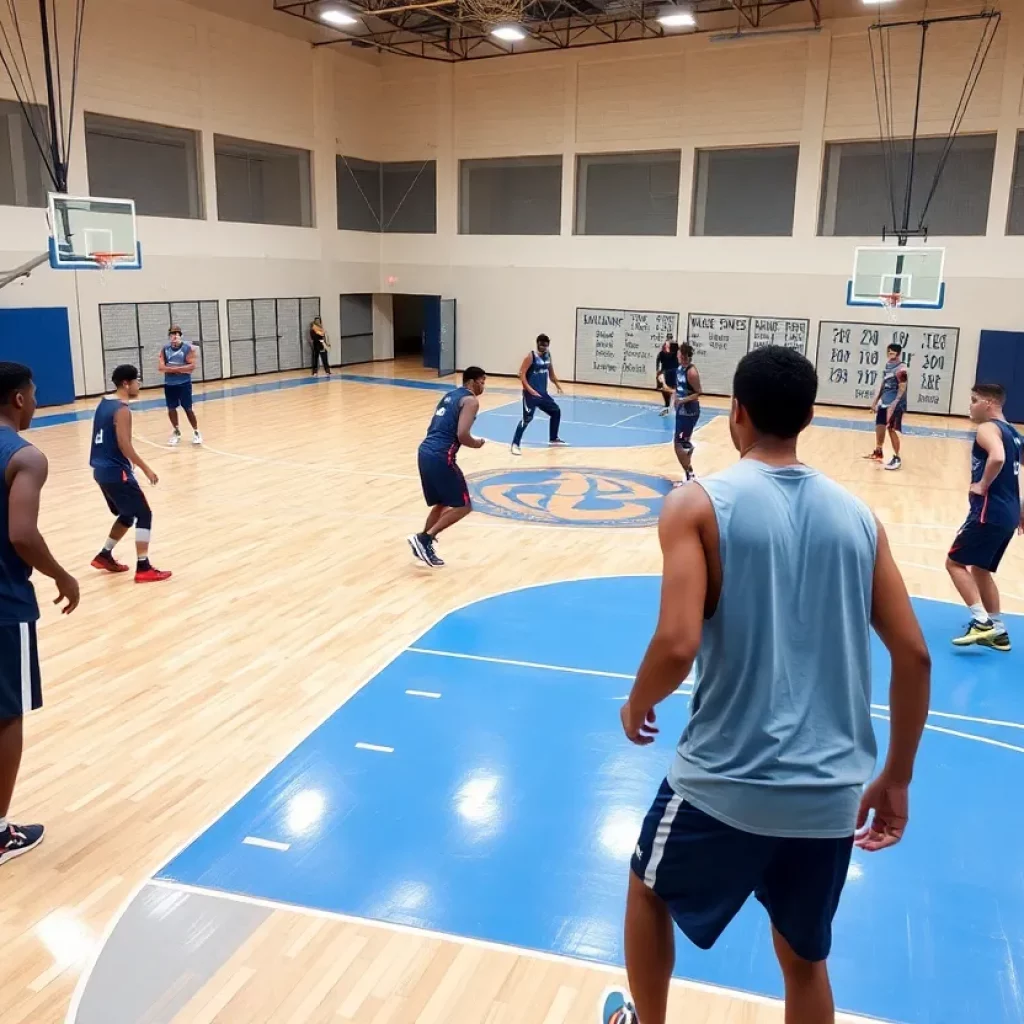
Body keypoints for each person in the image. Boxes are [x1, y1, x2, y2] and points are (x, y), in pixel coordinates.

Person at [602, 346, 931, 1024]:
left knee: (647, 891)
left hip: (726, 780)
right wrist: (895, 776)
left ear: (738, 414)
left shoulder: (697, 504)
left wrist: (638, 701)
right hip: (830, 795)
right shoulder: (861, 520)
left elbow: (676, 643)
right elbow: (916, 657)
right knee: (804, 960)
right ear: (810, 416)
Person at [0, 362, 79, 866]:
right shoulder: (25, 456)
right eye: (33, 391)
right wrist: (61, 575)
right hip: (4, 606)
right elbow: (22, 534)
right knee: (7, 714)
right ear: (20, 399)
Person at [946, 383, 1022, 652]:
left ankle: (981, 622)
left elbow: (998, 459)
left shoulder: (987, 428)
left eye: (974, 400)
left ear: (989, 404)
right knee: (980, 568)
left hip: (988, 512)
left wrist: (981, 485)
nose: (970, 404)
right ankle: (999, 632)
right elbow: (1014, 473)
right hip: (1008, 513)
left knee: (954, 563)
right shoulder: (1014, 433)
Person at [89, 365, 172, 584]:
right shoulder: (122, 409)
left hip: (100, 470)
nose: (139, 385)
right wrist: (146, 468)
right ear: (126, 383)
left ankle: (104, 555)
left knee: (127, 514)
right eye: (136, 381)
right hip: (116, 472)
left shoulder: (103, 403)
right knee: (144, 514)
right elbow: (124, 443)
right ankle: (143, 567)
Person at [408, 367, 487, 568]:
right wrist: (477, 443)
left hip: (425, 451)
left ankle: (422, 544)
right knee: (464, 506)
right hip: (442, 455)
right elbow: (462, 434)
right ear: (472, 382)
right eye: (482, 381)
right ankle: (425, 539)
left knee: (442, 502)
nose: (483, 386)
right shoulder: (471, 401)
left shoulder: (450, 396)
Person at [510, 334, 567, 455]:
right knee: (527, 419)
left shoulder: (548, 356)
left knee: (556, 411)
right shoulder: (531, 357)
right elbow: (522, 375)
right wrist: (529, 390)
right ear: (537, 344)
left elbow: (551, 373)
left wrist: (557, 385)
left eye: (546, 345)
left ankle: (553, 438)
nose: (544, 347)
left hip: (543, 393)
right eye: (541, 345)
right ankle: (515, 444)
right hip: (530, 395)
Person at [158, 326, 202, 447]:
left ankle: (196, 431)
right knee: (171, 409)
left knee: (188, 408)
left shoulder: (188, 349)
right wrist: (180, 369)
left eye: (177, 334)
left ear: (180, 336)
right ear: (169, 336)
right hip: (169, 384)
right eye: (172, 334)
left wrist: (172, 369)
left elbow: (191, 367)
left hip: (184, 384)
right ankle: (176, 431)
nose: (175, 337)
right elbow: (161, 367)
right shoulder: (165, 349)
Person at [866, 343, 908, 471]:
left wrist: (895, 403)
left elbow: (902, 387)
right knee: (879, 425)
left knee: (891, 429)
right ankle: (878, 450)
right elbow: (884, 384)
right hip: (884, 401)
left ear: (898, 354)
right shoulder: (887, 366)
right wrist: (875, 401)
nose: (890, 355)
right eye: (889, 352)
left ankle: (897, 457)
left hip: (895, 403)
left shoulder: (901, 369)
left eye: (893, 353)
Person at [672, 343, 701, 483]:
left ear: (682, 356)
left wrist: (682, 400)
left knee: (678, 444)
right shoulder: (679, 369)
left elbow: (698, 393)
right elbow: (679, 388)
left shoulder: (691, 372)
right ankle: (688, 473)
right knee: (681, 443)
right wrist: (675, 399)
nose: (676, 355)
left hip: (689, 411)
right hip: (681, 409)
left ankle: (690, 474)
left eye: (678, 353)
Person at [655, 335, 677, 417]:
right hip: (665, 371)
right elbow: (658, 359)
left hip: (674, 371)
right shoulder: (662, 353)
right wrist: (657, 370)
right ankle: (667, 403)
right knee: (664, 389)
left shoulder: (675, 352)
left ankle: (674, 405)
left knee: (673, 389)